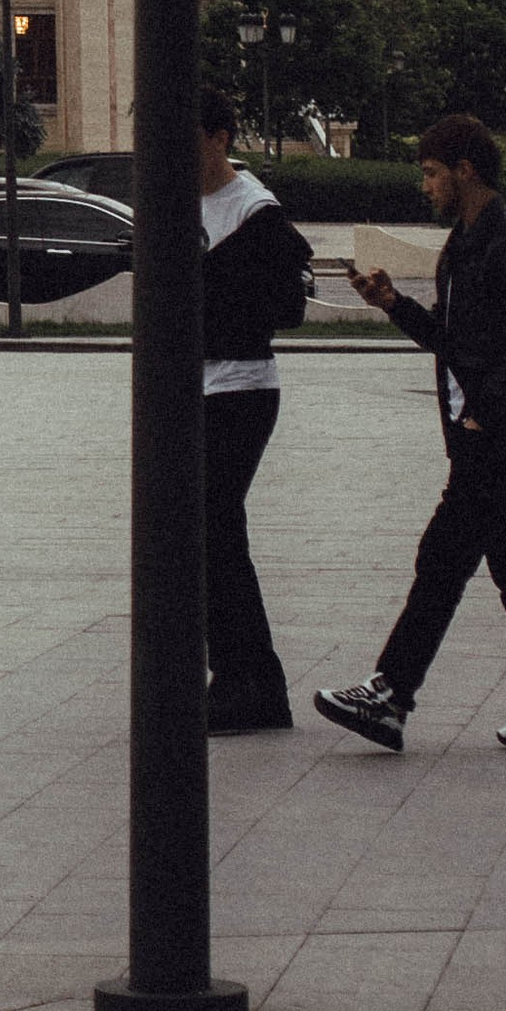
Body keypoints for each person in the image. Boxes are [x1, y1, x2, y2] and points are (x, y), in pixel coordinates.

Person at [314, 113, 506, 756]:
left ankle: (391, 695)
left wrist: (482, 416)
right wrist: (395, 307)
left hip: (500, 429)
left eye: (432, 173)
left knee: (443, 557)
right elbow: (455, 344)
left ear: (465, 172)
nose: (426, 186)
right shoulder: (462, 247)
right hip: (476, 426)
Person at [199, 87, 311, 735]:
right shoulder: (177, 204)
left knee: (215, 527)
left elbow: (285, 305)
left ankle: (253, 682)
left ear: (220, 137)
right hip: (195, 389)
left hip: (241, 387)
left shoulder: (256, 213)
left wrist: (219, 290)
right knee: (208, 533)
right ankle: (239, 676)